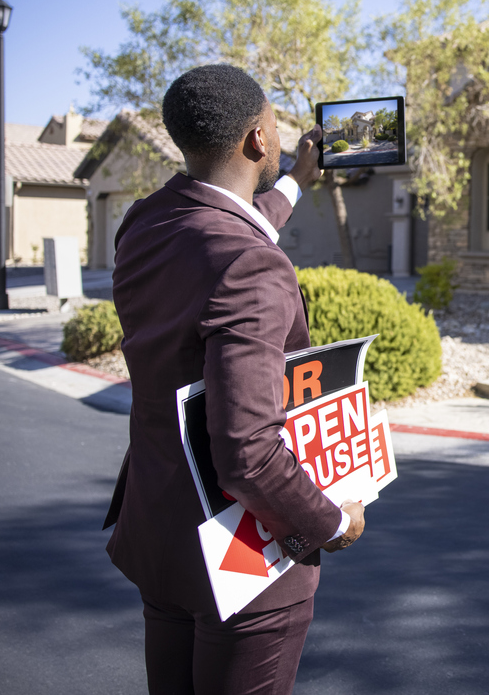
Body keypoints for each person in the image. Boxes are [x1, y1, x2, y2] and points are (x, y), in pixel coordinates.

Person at [102, 64, 365, 694]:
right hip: (241, 562)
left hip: (160, 536)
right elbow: (248, 453)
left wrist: (299, 180)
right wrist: (331, 523)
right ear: (257, 140)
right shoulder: (250, 263)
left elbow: (236, 220)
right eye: (273, 122)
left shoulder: (145, 222)